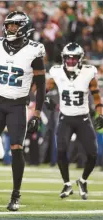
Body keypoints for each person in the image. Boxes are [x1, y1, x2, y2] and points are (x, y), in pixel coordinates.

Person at [0, 11, 46, 211]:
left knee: (16, 148)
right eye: (8, 25)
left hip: (18, 104)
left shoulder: (34, 50)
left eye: (15, 25)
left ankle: (16, 194)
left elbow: (41, 85)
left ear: (24, 27)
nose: (10, 29)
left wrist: (36, 113)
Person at [47, 43, 103, 200]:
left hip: (83, 118)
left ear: (80, 59)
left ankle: (83, 180)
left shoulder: (88, 72)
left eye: (74, 59)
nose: (71, 61)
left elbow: (97, 97)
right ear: (63, 58)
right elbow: (43, 89)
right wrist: (45, 99)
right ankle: (67, 184)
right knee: (61, 152)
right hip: (65, 118)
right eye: (68, 58)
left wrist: (101, 115)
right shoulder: (56, 72)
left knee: (93, 154)